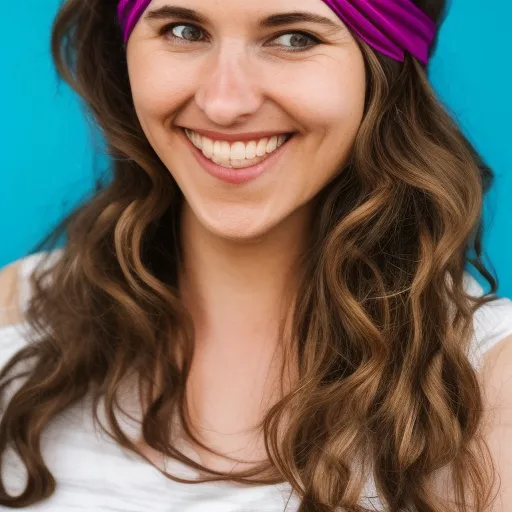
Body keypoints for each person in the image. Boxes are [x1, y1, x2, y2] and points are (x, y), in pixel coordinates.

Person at [1, 0, 511, 510]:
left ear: (384, 70)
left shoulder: (491, 388)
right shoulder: (14, 320)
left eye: (294, 39)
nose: (225, 102)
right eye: (184, 30)